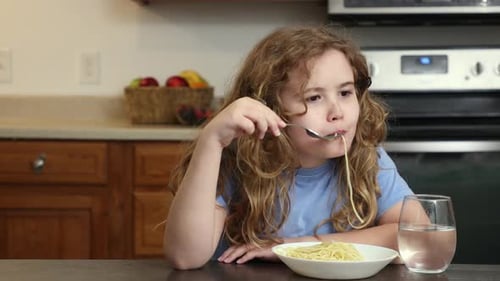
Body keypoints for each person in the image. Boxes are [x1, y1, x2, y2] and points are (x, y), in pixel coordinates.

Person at [163, 25, 414, 270]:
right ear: (270, 109)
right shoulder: (235, 161)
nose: (337, 112)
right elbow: (185, 257)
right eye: (313, 97)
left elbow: (420, 238)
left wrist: (295, 247)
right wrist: (211, 141)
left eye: (346, 93)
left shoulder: (368, 157)